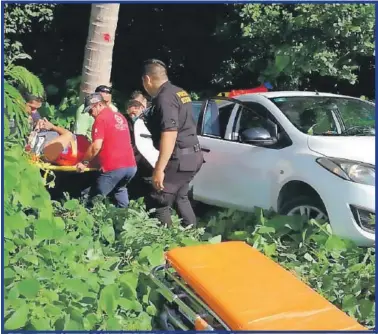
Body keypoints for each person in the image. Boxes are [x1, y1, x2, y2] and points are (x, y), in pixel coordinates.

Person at [141, 58, 204, 227]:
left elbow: (170, 132)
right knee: (180, 197)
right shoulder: (179, 92)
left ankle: (165, 244)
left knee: (157, 201)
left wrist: (159, 169)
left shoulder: (164, 98)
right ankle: (191, 240)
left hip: (180, 159)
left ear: (147, 79)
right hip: (193, 155)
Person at [76, 93, 137, 208]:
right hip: (130, 166)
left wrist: (84, 162)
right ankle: (123, 221)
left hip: (114, 167)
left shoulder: (101, 119)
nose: (90, 115)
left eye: (90, 111)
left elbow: (96, 146)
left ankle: (87, 221)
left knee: (92, 200)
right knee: (120, 191)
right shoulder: (119, 116)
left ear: (98, 105)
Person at [26, 118, 98, 168]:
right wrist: (51, 126)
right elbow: (69, 134)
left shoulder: (88, 160)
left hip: (48, 150)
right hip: (45, 138)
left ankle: (34, 144)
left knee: (68, 136)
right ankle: (34, 137)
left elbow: (69, 135)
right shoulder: (85, 141)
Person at [125, 98, 159, 200]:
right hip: (136, 160)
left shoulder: (149, 121)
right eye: (130, 114)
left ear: (141, 108)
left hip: (148, 158)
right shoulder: (128, 122)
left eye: (134, 113)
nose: (133, 116)